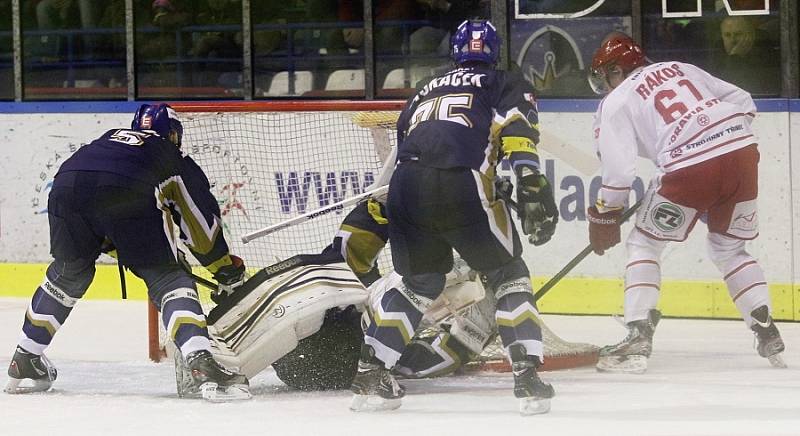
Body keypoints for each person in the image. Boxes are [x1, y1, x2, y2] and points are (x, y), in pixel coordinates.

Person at [350, 19, 559, 415]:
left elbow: (413, 145)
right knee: (508, 274)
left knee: (419, 282)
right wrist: (529, 180)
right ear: (494, 53)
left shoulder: (424, 88)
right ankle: (528, 376)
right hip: (461, 183)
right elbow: (516, 132)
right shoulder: (502, 82)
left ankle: (370, 374)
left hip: (405, 186)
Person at [4, 104, 251, 402]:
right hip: (125, 189)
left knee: (68, 273)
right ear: (172, 134)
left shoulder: (107, 139)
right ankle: (201, 364)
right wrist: (223, 268)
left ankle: (25, 358)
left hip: (65, 185)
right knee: (169, 279)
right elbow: (199, 223)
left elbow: (96, 194)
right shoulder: (170, 155)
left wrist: (111, 237)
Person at [586, 33, 786, 374]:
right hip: (742, 152)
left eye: (605, 74)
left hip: (691, 165)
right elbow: (742, 99)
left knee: (644, 243)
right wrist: (720, 141)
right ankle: (766, 330)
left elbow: (618, 172)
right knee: (730, 249)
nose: (605, 83)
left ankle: (637, 332)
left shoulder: (617, 100)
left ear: (617, 70)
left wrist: (606, 213)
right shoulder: (681, 67)